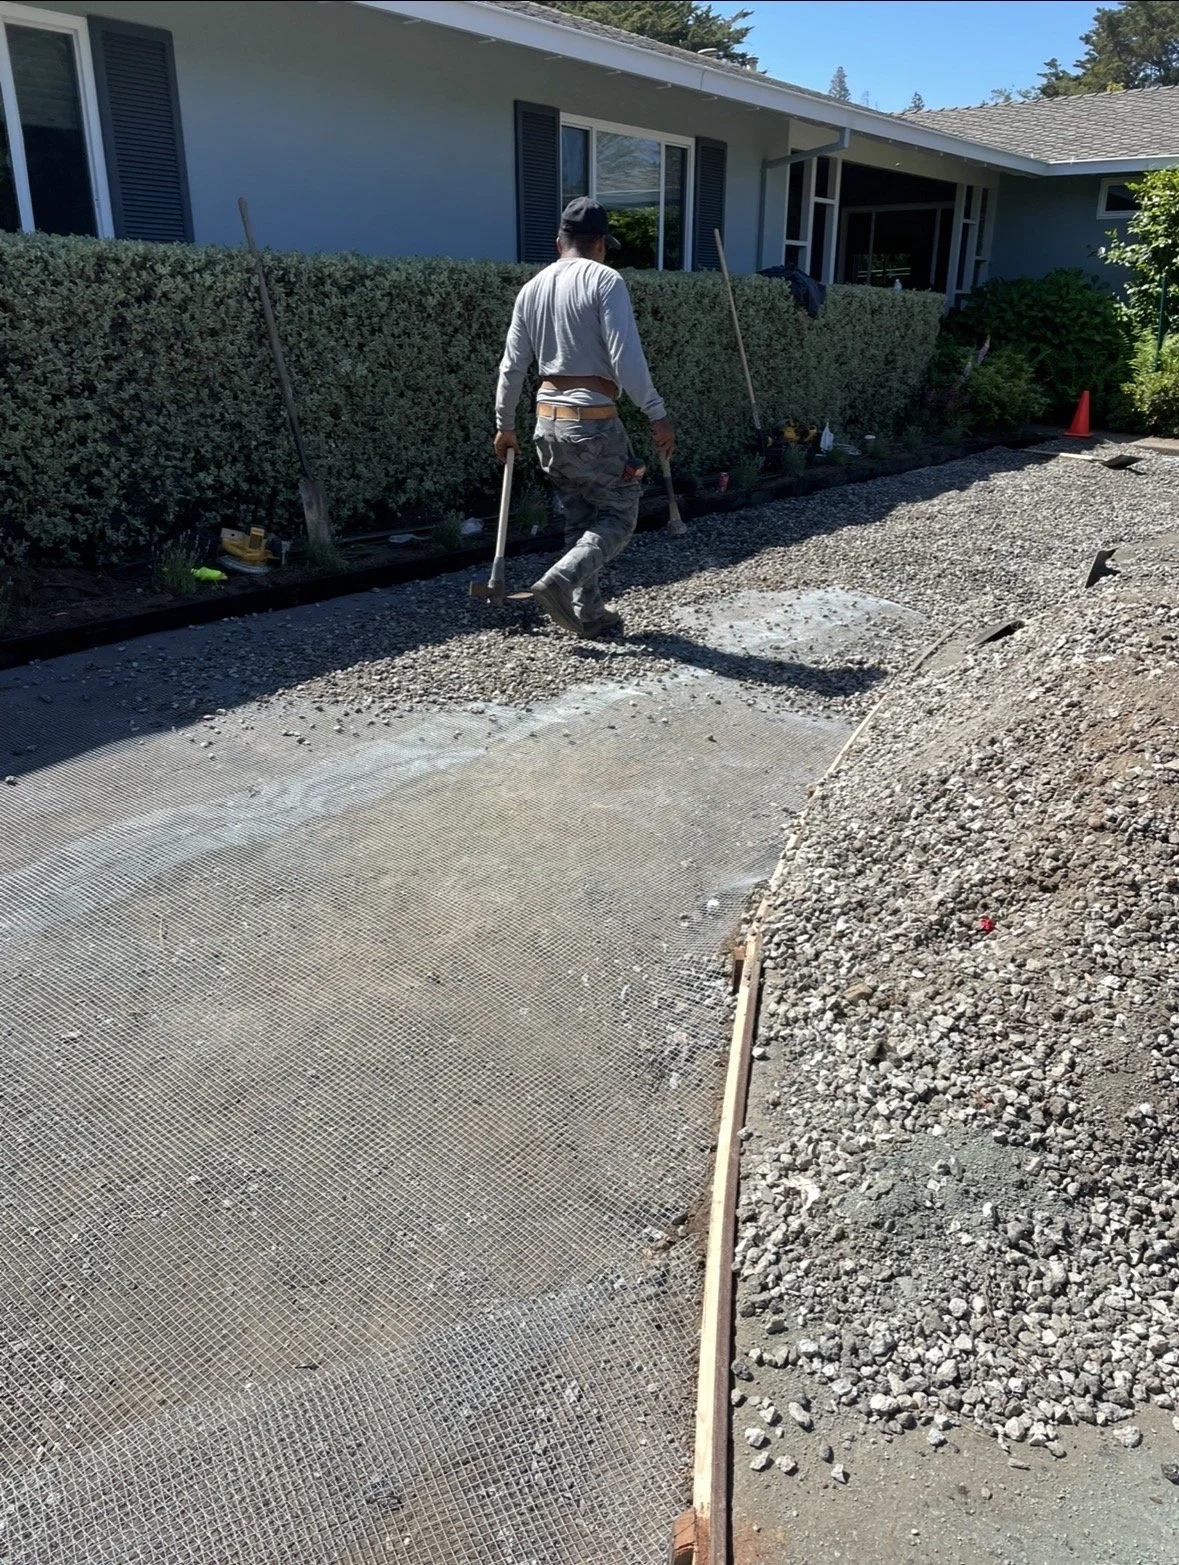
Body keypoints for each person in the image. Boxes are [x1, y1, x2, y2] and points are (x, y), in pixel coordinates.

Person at [494, 197, 675, 638]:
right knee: (619, 514)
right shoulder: (605, 280)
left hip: (546, 424)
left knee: (579, 519)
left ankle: (589, 613)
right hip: (591, 421)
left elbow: (512, 366)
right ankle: (561, 580)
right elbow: (626, 357)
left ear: (560, 242)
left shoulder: (531, 288)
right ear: (601, 244)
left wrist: (505, 425)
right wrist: (656, 412)